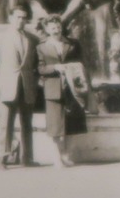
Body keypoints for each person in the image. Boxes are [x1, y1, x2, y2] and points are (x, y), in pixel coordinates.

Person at [0, 4, 38, 168]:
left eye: (24, 17)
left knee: (27, 123)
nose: (21, 20)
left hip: (27, 86)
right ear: (11, 18)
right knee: (5, 123)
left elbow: (35, 63)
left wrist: (34, 79)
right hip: (7, 85)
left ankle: (27, 158)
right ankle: (2, 158)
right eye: (18, 17)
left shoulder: (32, 39)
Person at [36, 14, 87, 168]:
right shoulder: (41, 47)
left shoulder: (73, 44)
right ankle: (56, 158)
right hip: (53, 89)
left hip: (72, 88)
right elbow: (40, 68)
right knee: (55, 127)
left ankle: (66, 155)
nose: (56, 29)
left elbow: (82, 63)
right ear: (46, 29)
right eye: (52, 27)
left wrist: (74, 70)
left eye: (58, 26)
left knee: (72, 124)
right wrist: (55, 68)